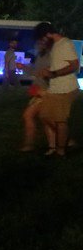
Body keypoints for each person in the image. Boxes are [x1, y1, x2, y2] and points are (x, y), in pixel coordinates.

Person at [33, 21, 79, 157]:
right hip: (54, 88)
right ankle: (67, 140)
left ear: (47, 34)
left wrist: (54, 73)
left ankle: (60, 150)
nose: (41, 42)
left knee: (60, 120)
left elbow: (75, 65)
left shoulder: (65, 43)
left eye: (42, 38)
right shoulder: (54, 46)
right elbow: (59, 64)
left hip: (66, 88)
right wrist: (48, 70)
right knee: (44, 115)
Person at [20, 42, 50, 152]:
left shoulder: (50, 56)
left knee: (28, 115)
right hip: (38, 90)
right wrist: (24, 67)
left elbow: (52, 74)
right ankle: (65, 142)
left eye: (41, 42)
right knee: (47, 120)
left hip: (44, 92)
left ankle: (29, 144)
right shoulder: (40, 56)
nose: (38, 45)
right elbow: (37, 72)